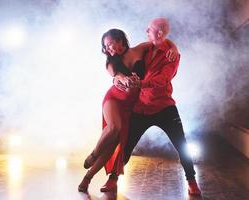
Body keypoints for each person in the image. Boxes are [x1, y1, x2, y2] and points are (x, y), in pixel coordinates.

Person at [102, 18, 202, 196]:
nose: (146, 31)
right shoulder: (146, 48)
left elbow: (163, 79)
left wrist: (140, 83)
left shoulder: (172, 55)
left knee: (181, 144)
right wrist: (172, 44)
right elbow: (117, 70)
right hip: (141, 107)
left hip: (165, 107)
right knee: (126, 144)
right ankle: (112, 179)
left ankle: (192, 181)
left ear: (160, 33)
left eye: (150, 29)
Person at [78, 28, 178, 192]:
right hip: (114, 99)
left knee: (113, 145)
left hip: (130, 105)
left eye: (110, 44)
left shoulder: (139, 49)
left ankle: (87, 178)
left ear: (120, 40)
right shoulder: (110, 62)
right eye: (106, 47)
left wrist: (173, 48)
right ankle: (94, 154)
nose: (109, 49)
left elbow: (162, 42)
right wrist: (125, 80)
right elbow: (117, 76)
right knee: (113, 127)